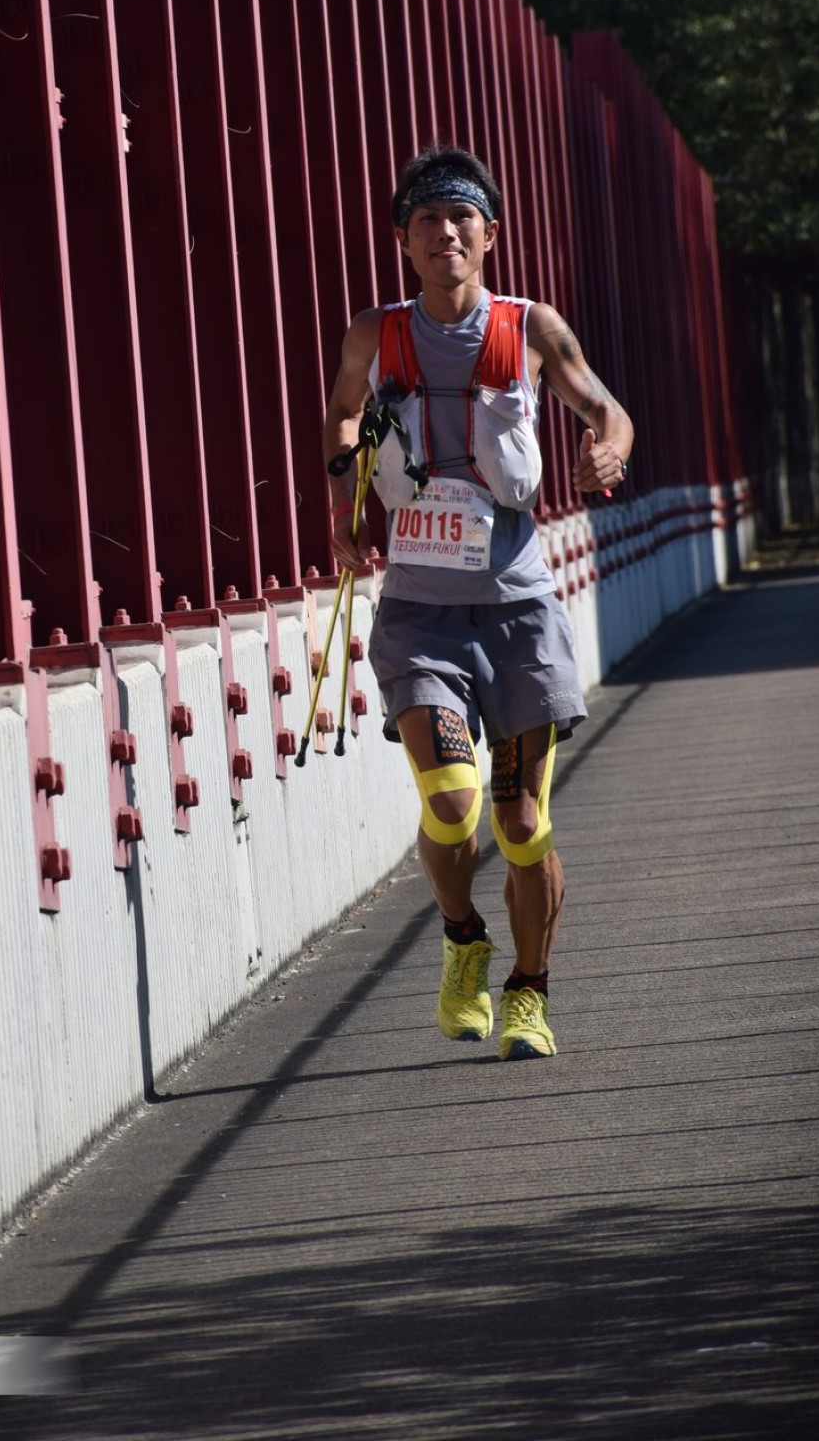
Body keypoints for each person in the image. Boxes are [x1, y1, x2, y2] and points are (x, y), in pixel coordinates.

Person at [323, 145, 634, 1060]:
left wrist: (610, 450)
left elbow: (606, 409)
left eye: (462, 218)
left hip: (519, 613)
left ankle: (529, 993)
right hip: (420, 616)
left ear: (489, 235)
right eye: (427, 220)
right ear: (403, 241)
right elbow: (344, 414)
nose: (445, 233)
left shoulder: (530, 327)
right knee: (454, 806)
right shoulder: (375, 335)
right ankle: (463, 938)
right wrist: (343, 500)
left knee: (523, 824)